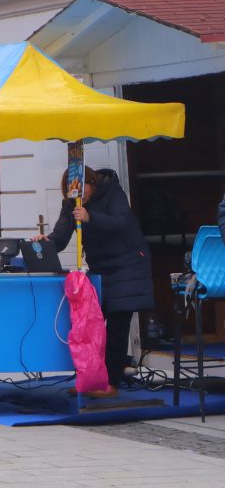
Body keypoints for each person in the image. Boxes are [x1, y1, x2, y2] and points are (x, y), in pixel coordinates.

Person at [39, 167, 154, 396]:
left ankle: (111, 383)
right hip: (101, 268)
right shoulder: (72, 202)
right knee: (90, 326)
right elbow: (61, 238)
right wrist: (45, 242)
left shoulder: (113, 192)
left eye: (81, 190)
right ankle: (92, 378)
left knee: (117, 327)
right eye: (71, 193)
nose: (78, 196)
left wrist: (91, 217)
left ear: (91, 183)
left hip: (127, 264)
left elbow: (120, 221)